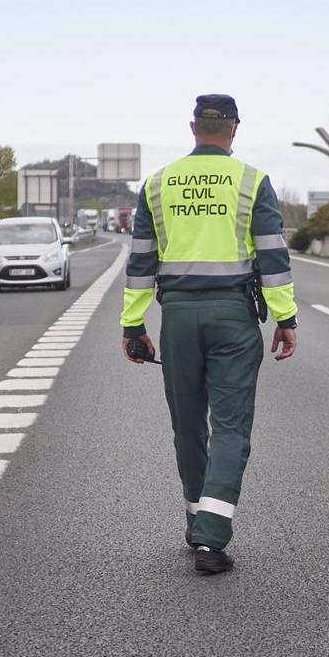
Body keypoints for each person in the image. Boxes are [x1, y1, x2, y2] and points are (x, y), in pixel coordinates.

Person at [121, 93, 298, 575]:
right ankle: (211, 538)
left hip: (178, 317)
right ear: (234, 129)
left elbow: (140, 262)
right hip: (233, 317)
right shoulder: (252, 181)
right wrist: (285, 319)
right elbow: (273, 256)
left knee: (188, 425)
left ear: (193, 127)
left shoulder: (158, 184)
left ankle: (197, 520)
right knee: (231, 426)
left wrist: (133, 324)